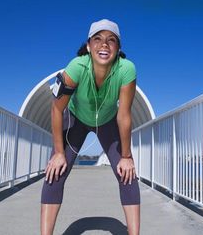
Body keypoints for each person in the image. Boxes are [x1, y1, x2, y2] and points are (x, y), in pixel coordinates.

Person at [40, 19, 140, 235]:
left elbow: (124, 115)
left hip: (108, 121)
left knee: (127, 174)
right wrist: (58, 153)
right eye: (98, 39)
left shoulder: (127, 69)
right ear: (88, 46)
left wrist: (127, 156)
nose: (104, 45)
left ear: (118, 48)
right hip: (76, 119)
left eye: (111, 40)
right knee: (55, 173)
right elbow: (57, 109)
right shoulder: (76, 67)